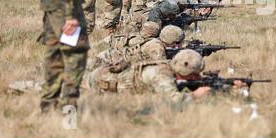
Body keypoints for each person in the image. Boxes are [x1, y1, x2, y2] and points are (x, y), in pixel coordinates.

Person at [82, 49, 211, 104]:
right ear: (184, 70)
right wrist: (195, 95)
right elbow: (173, 100)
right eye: (194, 74)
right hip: (98, 82)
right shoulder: (161, 74)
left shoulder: (168, 67)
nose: (197, 77)